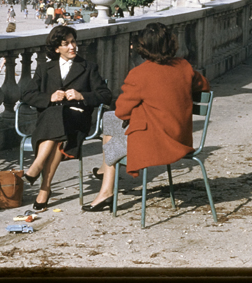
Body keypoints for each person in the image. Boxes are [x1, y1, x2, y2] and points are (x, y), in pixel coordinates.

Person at [84, 22, 210, 212]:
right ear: (170, 43)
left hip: (156, 141)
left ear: (143, 47)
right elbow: (203, 86)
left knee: (111, 139)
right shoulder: (184, 66)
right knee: (109, 121)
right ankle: (104, 171)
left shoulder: (139, 74)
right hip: (179, 136)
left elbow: (122, 112)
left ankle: (106, 192)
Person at [21, 25, 112, 210]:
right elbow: (27, 94)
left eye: (73, 42)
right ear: (56, 48)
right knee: (56, 124)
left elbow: (106, 95)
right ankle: (44, 187)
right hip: (51, 124)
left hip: (77, 121)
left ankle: (37, 169)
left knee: (58, 115)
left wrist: (82, 96)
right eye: (66, 44)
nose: (72, 47)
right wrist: (49, 98)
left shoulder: (88, 68)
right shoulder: (44, 68)